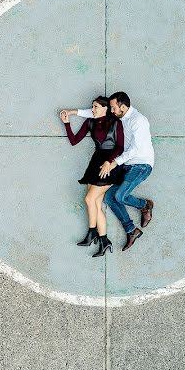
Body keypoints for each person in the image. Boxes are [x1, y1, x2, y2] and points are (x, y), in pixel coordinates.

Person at [75, 92, 154, 253]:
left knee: (119, 196)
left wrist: (113, 162)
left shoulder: (138, 121)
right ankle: (132, 231)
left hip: (141, 165)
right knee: (109, 197)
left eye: (113, 107)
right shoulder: (120, 116)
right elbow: (96, 111)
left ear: (123, 107)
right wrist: (73, 112)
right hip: (126, 165)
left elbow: (135, 150)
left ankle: (145, 205)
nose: (112, 110)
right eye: (110, 107)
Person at [59, 97, 125, 257]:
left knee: (89, 199)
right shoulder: (90, 122)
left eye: (95, 107)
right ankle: (104, 241)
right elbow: (74, 141)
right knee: (95, 203)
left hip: (110, 165)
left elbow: (120, 147)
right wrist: (67, 123)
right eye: (92, 107)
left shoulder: (115, 122)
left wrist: (109, 162)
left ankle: (91, 233)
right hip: (95, 164)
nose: (92, 109)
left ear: (105, 108)